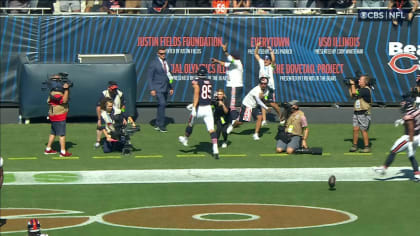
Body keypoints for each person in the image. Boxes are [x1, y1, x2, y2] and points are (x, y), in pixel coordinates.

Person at [373, 97, 420, 181]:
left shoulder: (409, 115)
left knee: (393, 151)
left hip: (409, 138)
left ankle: (384, 168)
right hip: (417, 137)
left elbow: (411, 128)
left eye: (404, 103)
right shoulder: (417, 111)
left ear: (408, 104)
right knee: (411, 156)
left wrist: (410, 142)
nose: (402, 105)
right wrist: (402, 120)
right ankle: (417, 174)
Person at [178, 66, 220, 159]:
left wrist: (194, 107)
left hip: (199, 108)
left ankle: (185, 139)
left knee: (190, 124)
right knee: (211, 129)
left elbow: (197, 93)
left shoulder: (196, 81)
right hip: (208, 108)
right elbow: (205, 95)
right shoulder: (209, 82)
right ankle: (215, 148)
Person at [95, 81, 135, 148]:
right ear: (109, 88)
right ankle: (98, 141)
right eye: (113, 89)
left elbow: (123, 106)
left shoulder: (120, 94)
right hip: (106, 113)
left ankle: (125, 140)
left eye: (115, 88)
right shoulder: (104, 93)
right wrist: (99, 118)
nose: (114, 90)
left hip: (117, 113)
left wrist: (123, 116)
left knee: (121, 127)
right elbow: (98, 107)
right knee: (100, 126)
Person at [211, 43, 244, 123]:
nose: (231, 56)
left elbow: (229, 59)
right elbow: (225, 64)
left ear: (234, 57)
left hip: (234, 87)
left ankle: (234, 120)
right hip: (232, 87)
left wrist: (225, 51)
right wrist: (217, 61)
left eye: (232, 56)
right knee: (230, 103)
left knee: (232, 104)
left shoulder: (237, 63)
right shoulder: (233, 64)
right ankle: (230, 119)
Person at [254, 41, 282, 125]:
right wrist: (257, 47)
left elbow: (274, 60)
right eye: (265, 59)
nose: (266, 60)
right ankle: (264, 120)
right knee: (262, 102)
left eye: (267, 59)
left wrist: (271, 51)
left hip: (270, 88)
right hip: (261, 87)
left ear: (269, 61)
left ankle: (281, 117)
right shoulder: (262, 63)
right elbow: (256, 54)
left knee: (272, 104)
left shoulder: (271, 66)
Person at [44, 75, 72, 157]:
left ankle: (48, 149)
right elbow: (64, 100)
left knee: (53, 132)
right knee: (62, 134)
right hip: (59, 115)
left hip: (53, 114)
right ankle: (63, 152)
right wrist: (66, 89)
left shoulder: (52, 91)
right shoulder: (56, 93)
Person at [148, 47, 174, 133]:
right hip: (157, 88)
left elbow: (169, 75)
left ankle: (157, 123)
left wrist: (170, 87)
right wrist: (152, 89)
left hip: (165, 87)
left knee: (161, 105)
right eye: (161, 54)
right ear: (158, 54)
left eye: (164, 53)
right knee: (162, 104)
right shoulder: (154, 63)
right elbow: (150, 77)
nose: (163, 55)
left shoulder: (167, 62)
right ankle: (161, 125)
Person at [349, 75, 372, 153]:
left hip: (363, 113)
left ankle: (367, 147)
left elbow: (355, 92)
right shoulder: (361, 89)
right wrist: (350, 86)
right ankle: (354, 145)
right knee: (355, 129)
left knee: (363, 130)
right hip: (357, 112)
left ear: (365, 82)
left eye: (360, 80)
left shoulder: (366, 90)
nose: (358, 81)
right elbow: (352, 95)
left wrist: (352, 85)